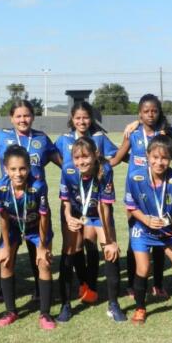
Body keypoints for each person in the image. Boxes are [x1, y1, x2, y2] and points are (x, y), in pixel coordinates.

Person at [115, 94, 172, 300]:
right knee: (135, 237)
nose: (150, 114)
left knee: (161, 234)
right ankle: (132, 284)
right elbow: (119, 157)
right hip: (137, 191)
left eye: (154, 111)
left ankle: (157, 284)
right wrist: (100, 165)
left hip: (160, 190)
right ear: (139, 113)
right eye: (146, 111)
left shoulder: (164, 134)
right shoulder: (133, 132)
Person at [54, 101, 120, 305]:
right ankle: (83, 283)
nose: (82, 121)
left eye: (85, 117)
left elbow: (116, 156)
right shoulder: (64, 141)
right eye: (78, 118)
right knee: (74, 246)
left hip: (93, 204)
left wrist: (103, 166)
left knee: (91, 243)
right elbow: (52, 155)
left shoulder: (99, 139)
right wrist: (71, 169)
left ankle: (92, 286)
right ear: (72, 119)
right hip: (74, 202)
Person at [124, 135, 172, 325]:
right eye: (155, 157)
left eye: (164, 158)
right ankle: (140, 308)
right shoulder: (135, 176)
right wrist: (146, 219)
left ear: (171, 159)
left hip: (167, 234)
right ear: (147, 156)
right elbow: (131, 206)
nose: (159, 162)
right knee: (144, 268)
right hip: (142, 230)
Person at [58, 137, 126, 323]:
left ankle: (113, 304)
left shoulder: (105, 170)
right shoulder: (67, 169)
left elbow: (105, 206)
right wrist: (68, 218)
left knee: (111, 252)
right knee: (69, 250)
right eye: (77, 158)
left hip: (98, 214)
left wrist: (110, 240)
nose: (81, 162)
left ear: (95, 155)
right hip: (76, 213)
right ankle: (66, 304)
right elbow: (65, 200)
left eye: (85, 157)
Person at [0, 146, 56, 330]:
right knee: (5, 262)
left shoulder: (38, 186)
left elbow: (44, 217)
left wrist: (42, 247)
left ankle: (45, 313)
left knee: (44, 263)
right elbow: (3, 218)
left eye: (22, 168)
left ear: (29, 168)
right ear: (6, 169)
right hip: (13, 228)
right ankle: (10, 311)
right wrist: (5, 246)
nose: (18, 173)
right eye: (13, 169)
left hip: (37, 228)